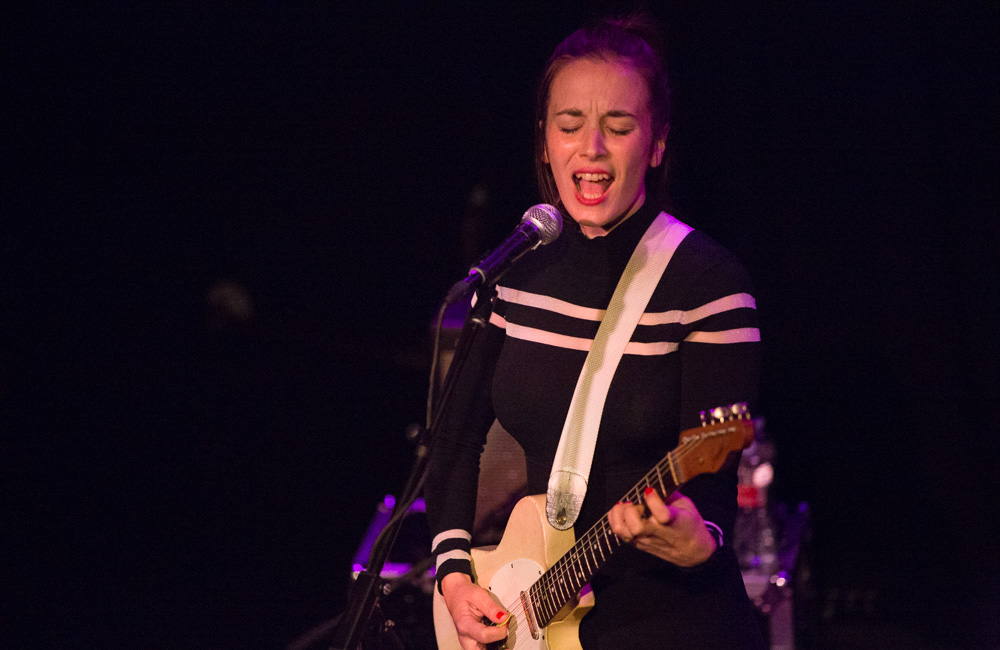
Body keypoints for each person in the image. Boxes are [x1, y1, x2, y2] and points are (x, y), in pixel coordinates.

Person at [425, 15, 765, 650]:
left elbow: (714, 477)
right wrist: (453, 576)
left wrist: (698, 540)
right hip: (533, 610)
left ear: (657, 143)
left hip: (672, 623)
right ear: (545, 141)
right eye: (570, 125)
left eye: (619, 127)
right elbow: (453, 445)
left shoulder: (708, 284)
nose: (592, 150)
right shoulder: (516, 271)